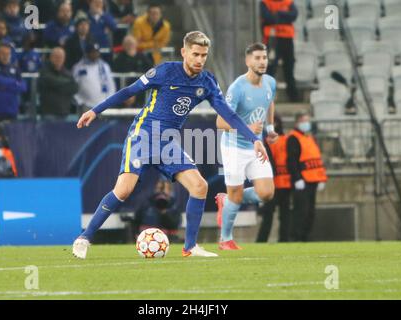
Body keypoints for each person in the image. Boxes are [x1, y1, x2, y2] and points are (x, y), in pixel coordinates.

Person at [72, 31, 269, 259]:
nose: (200, 59)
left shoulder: (207, 82)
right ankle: (84, 238)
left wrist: (254, 139)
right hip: (143, 135)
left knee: (199, 186)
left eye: (204, 55)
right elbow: (129, 91)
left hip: (167, 143)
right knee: (124, 189)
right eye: (195, 54)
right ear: (184, 52)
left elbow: (229, 115)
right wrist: (95, 111)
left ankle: (190, 247)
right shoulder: (165, 71)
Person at [214, 43, 278, 250]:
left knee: (267, 193)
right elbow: (220, 123)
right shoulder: (238, 88)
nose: (262, 62)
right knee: (238, 194)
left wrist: (269, 128)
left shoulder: (270, 83)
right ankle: (226, 239)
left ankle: (229, 199)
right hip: (234, 148)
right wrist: (247, 127)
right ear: (248, 61)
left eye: (264, 57)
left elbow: (270, 102)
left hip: (256, 146)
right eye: (257, 58)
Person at [287, 112, 327, 241]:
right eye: (304, 120)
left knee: (310, 212)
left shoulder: (309, 137)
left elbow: (316, 159)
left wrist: (321, 178)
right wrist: (297, 178)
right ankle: (296, 237)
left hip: (313, 180)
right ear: (297, 122)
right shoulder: (293, 138)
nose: (306, 123)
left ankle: (304, 237)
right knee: (301, 211)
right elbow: (292, 161)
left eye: (308, 120)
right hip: (302, 181)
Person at [256, 114, 292, 242]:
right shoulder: (263, 141)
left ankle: (284, 240)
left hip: (285, 182)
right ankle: (262, 240)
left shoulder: (286, 139)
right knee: (268, 214)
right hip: (271, 183)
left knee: (285, 215)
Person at [260, 0, 298, 101]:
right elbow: (268, 18)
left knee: (289, 66)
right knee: (271, 68)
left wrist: (278, 14)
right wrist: (284, 17)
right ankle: (266, 97)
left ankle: (293, 97)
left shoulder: (288, 2)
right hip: (272, 38)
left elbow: (294, 15)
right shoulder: (265, 2)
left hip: (287, 38)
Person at [0, 42, 27, 122]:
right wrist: (14, 83)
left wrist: (7, 85)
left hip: (11, 110)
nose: (6, 56)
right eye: (3, 53)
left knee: (11, 134)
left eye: (8, 54)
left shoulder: (15, 67)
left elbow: (23, 86)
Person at [73, 42, 116, 111]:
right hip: (86, 106)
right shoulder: (79, 67)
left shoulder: (104, 66)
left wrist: (109, 101)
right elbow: (74, 86)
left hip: (103, 105)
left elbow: (111, 85)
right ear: (87, 53)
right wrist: (79, 101)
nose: (95, 54)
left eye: (96, 52)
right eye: (92, 52)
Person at [112, 35, 153, 107]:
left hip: (141, 92)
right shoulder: (118, 59)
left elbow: (151, 71)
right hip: (124, 91)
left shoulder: (143, 58)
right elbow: (115, 78)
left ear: (136, 44)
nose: (130, 46)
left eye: (131, 44)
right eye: (127, 44)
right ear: (123, 46)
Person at [39, 47, 78, 120]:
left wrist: (58, 84)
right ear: (51, 58)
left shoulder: (67, 72)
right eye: (56, 57)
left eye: (61, 57)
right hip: (48, 113)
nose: (59, 59)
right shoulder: (44, 71)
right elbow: (50, 80)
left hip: (64, 113)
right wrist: (66, 83)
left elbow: (75, 87)